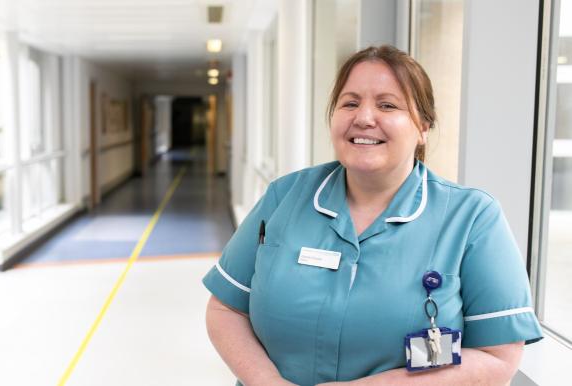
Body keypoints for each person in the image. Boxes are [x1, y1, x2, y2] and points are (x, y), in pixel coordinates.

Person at [202, 45, 543, 386]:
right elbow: (226, 309)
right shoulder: (285, 197)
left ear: (423, 125)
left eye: (387, 105)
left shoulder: (471, 218)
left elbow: (497, 357)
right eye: (350, 103)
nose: (364, 118)